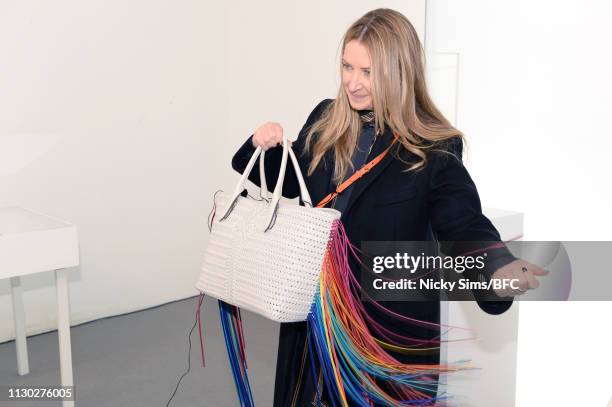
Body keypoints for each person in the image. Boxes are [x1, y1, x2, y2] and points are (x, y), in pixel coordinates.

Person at [231, 8, 547, 407]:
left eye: (368, 72)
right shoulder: (325, 119)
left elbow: (463, 224)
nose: (353, 82)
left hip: (383, 333)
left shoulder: (434, 148)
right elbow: (293, 182)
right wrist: (265, 145)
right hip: (315, 314)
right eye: (348, 66)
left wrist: (496, 270)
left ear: (400, 73)